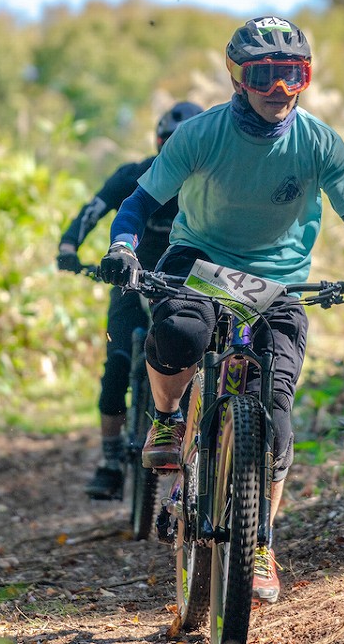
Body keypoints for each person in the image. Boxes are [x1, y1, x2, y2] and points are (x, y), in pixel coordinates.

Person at [99, 16, 344, 603]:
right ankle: (166, 414)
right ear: (238, 79)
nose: (279, 89)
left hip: (277, 282)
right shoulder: (201, 136)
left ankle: (260, 544)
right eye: (264, 75)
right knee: (179, 332)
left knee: (277, 413)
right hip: (198, 259)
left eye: (293, 75)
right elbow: (137, 205)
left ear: (305, 79)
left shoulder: (320, 142)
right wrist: (123, 249)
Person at [56, 101, 204, 500]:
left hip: (187, 284)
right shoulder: (136, 176)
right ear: (158, 144)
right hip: (132, 278)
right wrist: (70, 245)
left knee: (195, 365)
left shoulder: (210, 182)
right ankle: (109, 462)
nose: (176, 153)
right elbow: (95, 209)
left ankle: (196, 458)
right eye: (169, 144)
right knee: (117, 366)